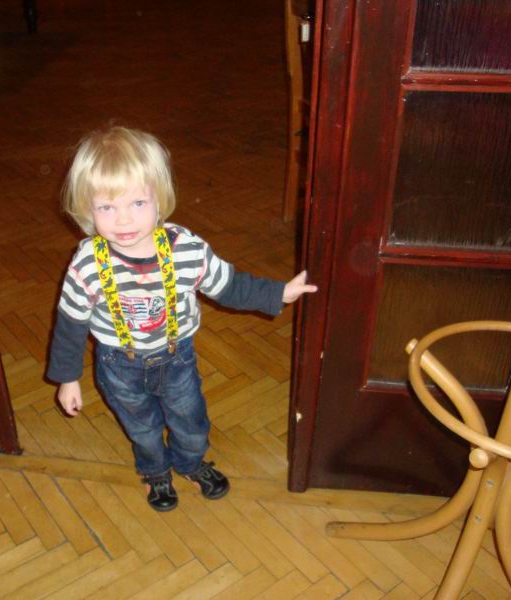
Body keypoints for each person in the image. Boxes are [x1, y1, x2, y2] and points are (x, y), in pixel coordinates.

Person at [47, 126, 317, 511]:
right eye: (107, 207)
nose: (123, 220)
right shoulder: (87, 264)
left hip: (177, 359)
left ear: (159, 198)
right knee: (142, 428)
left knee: (190, 420)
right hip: (118, 364)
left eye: (137, 203)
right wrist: (67, 378)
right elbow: (71, 323)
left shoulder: (186, 250)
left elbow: (228, 285)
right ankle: (155, 472)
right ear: (86, 210)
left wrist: (278, 293)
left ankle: (191, 463)